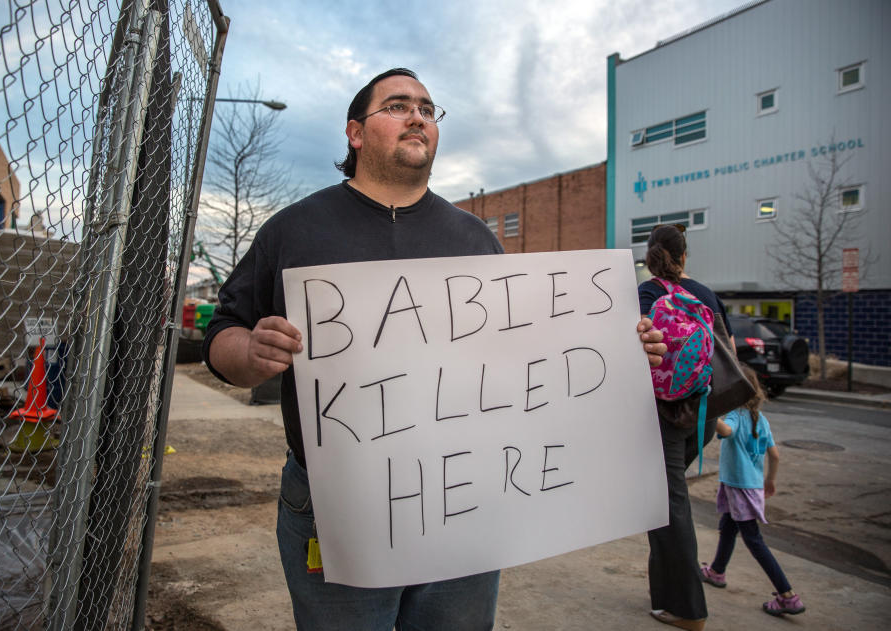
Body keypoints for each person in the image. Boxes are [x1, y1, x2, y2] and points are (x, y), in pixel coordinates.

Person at [203, 67, 668, 631]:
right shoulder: (294, 230)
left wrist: (617, 346)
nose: (418, 115)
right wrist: (250, 353)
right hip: (337, 505)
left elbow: (530, 355)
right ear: (355, 133)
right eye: (397, 105)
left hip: (467, 497)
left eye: (427, 107)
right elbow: (222, 334)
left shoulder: (474, 240)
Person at [638, 223, 731, 631]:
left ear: (649, 255)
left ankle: (688, 609)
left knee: (667, 507)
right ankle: (666, 597)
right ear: (685, 255)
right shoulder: (706, 294)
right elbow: (728, 357)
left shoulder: (649, 293)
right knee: (658, 502)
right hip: (704, 416)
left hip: (665, 415)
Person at [699, 366, 806, 617]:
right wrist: (770, 480)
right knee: (728, 527)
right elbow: (775, 455)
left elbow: (726, 431)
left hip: (739, 487)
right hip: (753, 486)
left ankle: (787, 595)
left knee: (753, 539)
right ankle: (717, 571)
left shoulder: (736, 415)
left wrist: (705, 407)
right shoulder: (761, 419)